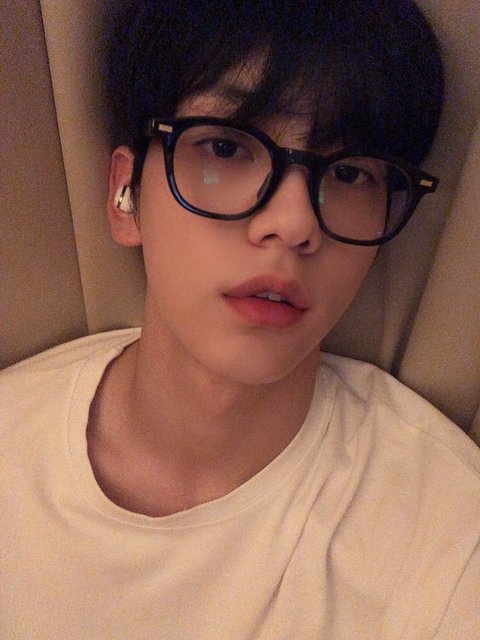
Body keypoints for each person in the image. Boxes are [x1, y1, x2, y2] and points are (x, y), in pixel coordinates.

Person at [1, 1, 479, 638]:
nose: (295, 223)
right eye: (225, 146)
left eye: (349, 173)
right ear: (125, 196)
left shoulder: (447, 535)